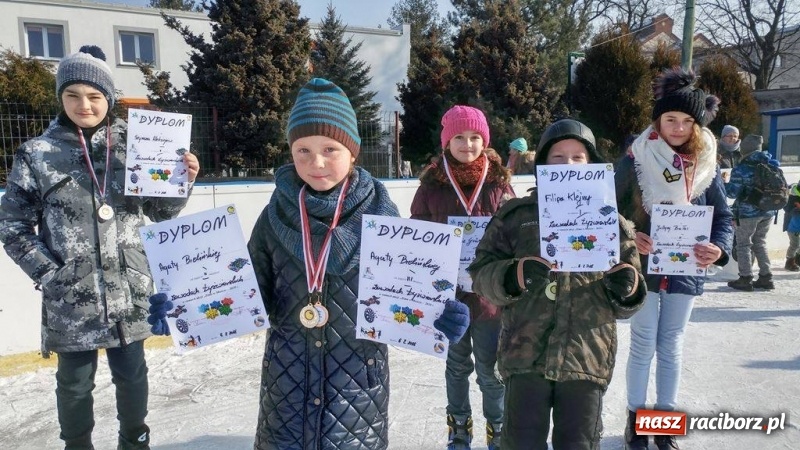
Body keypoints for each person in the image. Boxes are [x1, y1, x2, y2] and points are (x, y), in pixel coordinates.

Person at [234, 78, 469, 449]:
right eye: (303, 150)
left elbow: (409, 293)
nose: (317, 162)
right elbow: (250, 294)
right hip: (287, 390)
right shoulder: (273, 216)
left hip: (357, 391)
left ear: (353, 151)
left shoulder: (381, 215)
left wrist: (440, 315)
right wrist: (187, 304)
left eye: (330, 148)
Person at [0, 45, 200, 450]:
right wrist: (49, 273)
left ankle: (135, 442)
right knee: (74, 385)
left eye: (94, 96)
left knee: (133, 375)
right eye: (72, 95)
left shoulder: (137, 144)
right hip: (73, 296)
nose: (84, 105)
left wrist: (183, 179)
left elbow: (162, 211)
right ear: (60, 97)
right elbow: (12, 223)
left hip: (130, 289)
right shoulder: (37, 154)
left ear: (108, 99)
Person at [468, 118, 647, 450]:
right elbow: (480, 274)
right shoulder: (515, 215)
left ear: (592, 164)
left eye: (578, 157)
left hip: (586, 356)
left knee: (579, 442)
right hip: (525, 357)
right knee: (521, 442)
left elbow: (632, 295)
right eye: (557, 157)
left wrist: (629, 287)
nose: (568, 165)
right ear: (542, 165)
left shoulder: (614, 222)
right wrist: (512, 275)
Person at [615, 67, 733, 450]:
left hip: (686, 270)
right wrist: (632, 235)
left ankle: (663, 423)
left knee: (672, 342)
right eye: (670, 119)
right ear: (658, 121)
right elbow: (609, 211)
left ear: (696, 125)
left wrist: (718, 249)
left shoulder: (706, 165)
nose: (678, 128)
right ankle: (637, 420)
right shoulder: (635, 158)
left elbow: (723, 217)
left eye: (686, 121)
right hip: (643, 269)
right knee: (644, 341)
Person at [410, 105, 515, 450]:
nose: (467, 144)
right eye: (459, 137)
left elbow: (513, 233)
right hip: (449, 296)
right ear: (446, 141)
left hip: (488, 296)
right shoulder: (430, 186)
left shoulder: (499, 183)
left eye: (474, 137)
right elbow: (417, 233)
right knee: (456, 366)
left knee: (490, 369)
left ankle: (498, 429)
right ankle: (459, 428)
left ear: (484, 140)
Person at [725, 135, 782, 290]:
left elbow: (731, 193)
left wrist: (722, 183)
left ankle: (745, 278)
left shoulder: (742, 168)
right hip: (769, 210)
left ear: (745, 149)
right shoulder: (771, 164)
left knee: (743, 244)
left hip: (747, 213)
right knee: (760, 242)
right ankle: (766, 277)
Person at [784, 182, 800, 271]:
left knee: (797, 244)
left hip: (796, 224)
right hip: (793, 226)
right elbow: (788, 209)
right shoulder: (793, 197)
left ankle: (797, 260)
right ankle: (789, 262)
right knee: (795, 244)